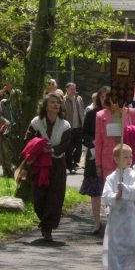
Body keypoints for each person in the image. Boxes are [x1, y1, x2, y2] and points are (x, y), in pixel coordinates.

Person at [23, 93, 72, 242]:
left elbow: (65, 144)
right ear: (45, 105)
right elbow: (28, 139)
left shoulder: (65, 125)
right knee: (39, 195)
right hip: (40, 164)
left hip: (57, 164)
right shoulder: (36, 123)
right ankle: (43, 219)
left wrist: (51, 150)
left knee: (55, 195)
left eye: (58, 102)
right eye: (52, 102)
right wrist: (39, 148)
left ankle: (48, 228)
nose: (56, 105)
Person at [102, 143, 135, 270]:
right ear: (116, 159)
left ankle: (131, 267)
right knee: (116, 244)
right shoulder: (111, 178)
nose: (129, 160)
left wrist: (126, 189)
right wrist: (115, 195)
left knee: (132, 242)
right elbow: (106, 195)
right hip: (117, 216)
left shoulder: (134, 175)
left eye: (131, 156)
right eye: (125, 157)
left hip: (131, 214)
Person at [95, 90, 135, 181]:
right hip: (108, 161)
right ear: (109, 99)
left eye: (120, 99)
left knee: (127, 189)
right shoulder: (100, 115)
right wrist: (98, 164)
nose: (117, 101)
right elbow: (98, 141)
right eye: (114, 98)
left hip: (128, 160)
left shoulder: (131, 113)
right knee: (111, 191)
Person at [80, 87, 108, 234]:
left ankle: (111, 222)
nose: (105, 99)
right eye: (102, 96)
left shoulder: (116, 114)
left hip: (110, 156)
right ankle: (97, 222)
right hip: (93, 156)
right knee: (95, 191)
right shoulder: (91, 114)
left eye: (107, 97)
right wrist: (93, 143)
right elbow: (84, 134)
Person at [63, 83, 86, 174]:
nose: (73, 91)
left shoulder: (79, 99)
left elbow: (82, 111)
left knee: (79, 148)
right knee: (69, 148)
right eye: (71, 89)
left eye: (74, 89)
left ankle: (74, 162)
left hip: (79, 127)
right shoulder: (64, 100)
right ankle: (70, 165)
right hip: (69, 128)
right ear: (67, 89)